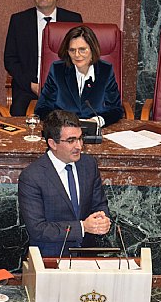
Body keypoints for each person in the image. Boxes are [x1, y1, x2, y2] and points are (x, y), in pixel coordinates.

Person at [18, 109, 112, 257]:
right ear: (52, 143)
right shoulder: (32, 177)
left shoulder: (88, 164)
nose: (79, 146)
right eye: (71, 140)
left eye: (80, 138)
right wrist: (82, 227)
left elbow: (99, 204)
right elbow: (38, 229)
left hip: (87, 255)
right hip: (51, 259)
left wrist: (102, 219)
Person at [4, 0, 83, 116]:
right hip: (28, 88)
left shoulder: (73, 20)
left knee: (72, 118)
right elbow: (10, 59)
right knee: (18, 115)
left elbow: (80, 57)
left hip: (63, 88)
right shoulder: (19, 21)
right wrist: (31, 85)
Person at [35, 25, 124, 128]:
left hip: (96, 131)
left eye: (82, 49)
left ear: (92, 49)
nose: (77, 55)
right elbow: (42, 108)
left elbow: (116, 109)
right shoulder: (57, 70)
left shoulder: (105, 70)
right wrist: (62, 121)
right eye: (72, 50)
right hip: (64, 131)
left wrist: (97, 121)